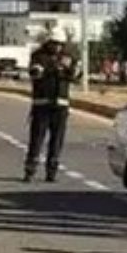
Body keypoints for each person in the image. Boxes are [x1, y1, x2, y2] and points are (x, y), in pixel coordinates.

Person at [24, 36, 76, 182]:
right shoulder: (38, 56)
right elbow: (34, 73)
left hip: (61, 106)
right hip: (42, 105)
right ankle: (30, 169)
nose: (57, 47)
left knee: (57, 140)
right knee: (36, 140)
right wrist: (52, 68)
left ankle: (51, 171)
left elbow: (75, 75)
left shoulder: (68, 57)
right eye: (54, 44)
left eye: (60, 44)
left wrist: (68, 68)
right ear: (48, 43)